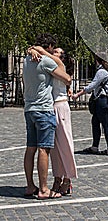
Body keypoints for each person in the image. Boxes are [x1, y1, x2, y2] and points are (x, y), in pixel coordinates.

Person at [23, 33, 71, 200]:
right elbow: (67, 78)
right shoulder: (46, 61)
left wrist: (31, 49)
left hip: (29, 109)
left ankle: (30, 186)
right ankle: (44, 189)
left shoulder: (26, 60)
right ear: (49, 47)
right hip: (43, 109)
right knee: (44, 149)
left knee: (31, 149)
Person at [72, 54, 108, 156]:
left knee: (106, 125)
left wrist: (78, 94)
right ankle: (95, 146)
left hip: (102, 100)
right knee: (95, 122)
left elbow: (92, 86)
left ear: (97, 61)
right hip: (100, 100)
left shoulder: (102, 72)